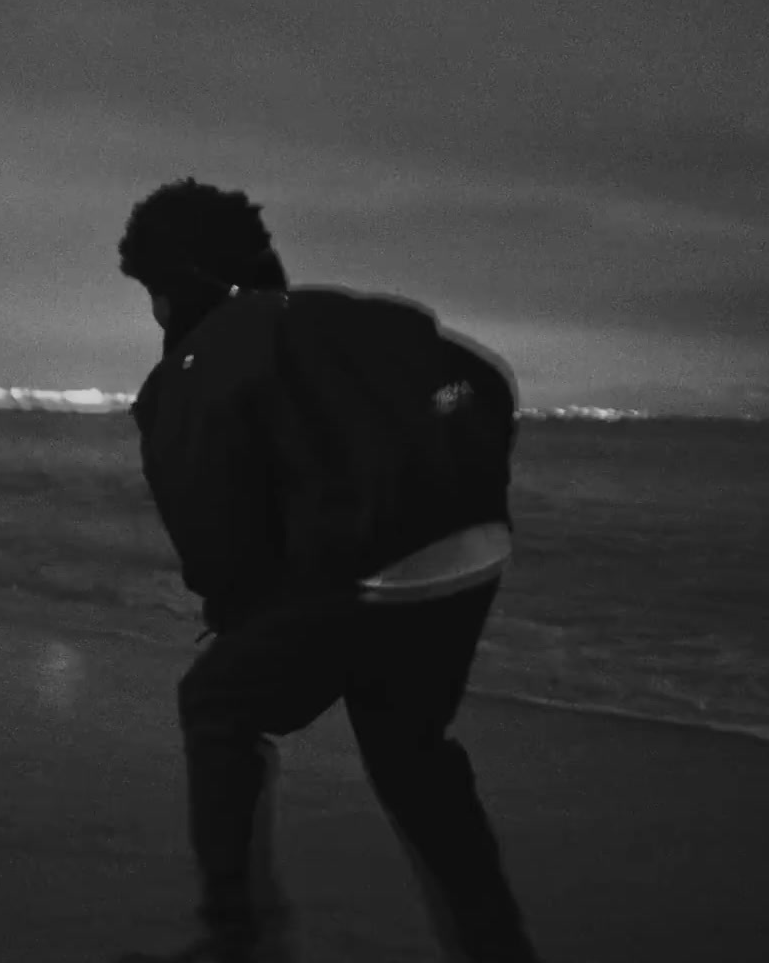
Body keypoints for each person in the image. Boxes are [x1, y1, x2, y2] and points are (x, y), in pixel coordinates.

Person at [115, 179, 541, 963]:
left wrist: (252, 612)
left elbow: (216, 537)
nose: (153, 313)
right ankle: (498, 949)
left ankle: (236, 939)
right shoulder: (352, 317)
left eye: (150, 292)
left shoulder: (202, 360)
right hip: (470, 554)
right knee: (411, 753)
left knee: (215, 701)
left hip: (363, 574)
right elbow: (479, 383)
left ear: (175, 282)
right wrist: (455, 487)